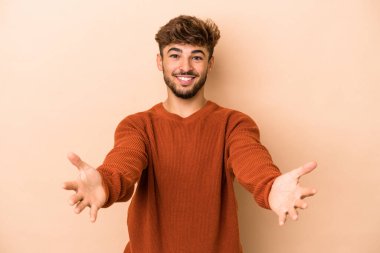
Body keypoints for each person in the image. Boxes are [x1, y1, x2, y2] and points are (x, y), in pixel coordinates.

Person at [63, 15, 317, 253]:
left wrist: (270, 186)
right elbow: (124, 161)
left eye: (197, 57)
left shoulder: (234, 124)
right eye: (175, 55)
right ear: (160, 62)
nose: (185, 67)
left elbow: (252, 161)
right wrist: (105, 184)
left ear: (210, 63)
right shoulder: (137, 126)